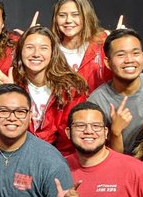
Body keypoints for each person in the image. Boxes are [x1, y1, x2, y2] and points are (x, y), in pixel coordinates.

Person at [12, 24, 88, 156]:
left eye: (43, 48)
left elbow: (69, 139)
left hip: (59, 159)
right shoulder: (11, 84)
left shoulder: (71, 89)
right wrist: (10, 94)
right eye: (30, 47)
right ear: (20, 52)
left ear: (53, 53)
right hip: (18, 156)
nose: (36, 54)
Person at [51, 0, 115, 91]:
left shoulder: (102, 45)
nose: (68, 20)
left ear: (86, 16)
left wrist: (119, 44)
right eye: (62, 15)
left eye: (75, 14)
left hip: (97, 106)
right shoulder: (49, 49)